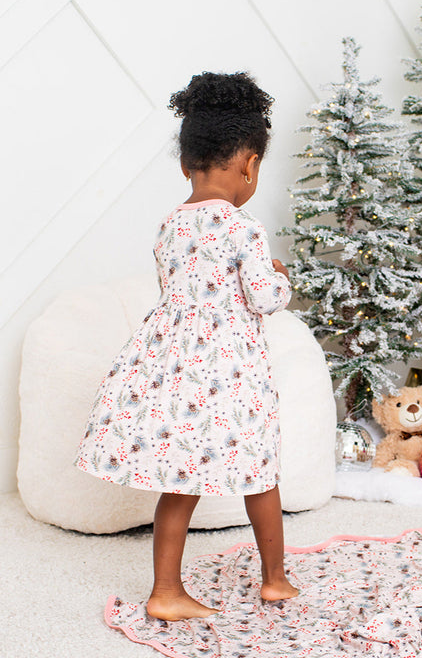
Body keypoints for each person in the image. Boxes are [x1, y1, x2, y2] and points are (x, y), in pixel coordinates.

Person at [75, 71, 298, 621]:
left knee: (180, 482)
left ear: (185, 164)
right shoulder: (243, 227)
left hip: (175, 374)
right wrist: (280, 274)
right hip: (232, 375)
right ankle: (274, 580)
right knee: (261, 475)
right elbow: (265, 298)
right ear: (250, 165)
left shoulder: (170, 225)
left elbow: (184, 289)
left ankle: (166, 590)